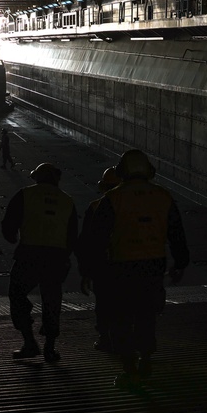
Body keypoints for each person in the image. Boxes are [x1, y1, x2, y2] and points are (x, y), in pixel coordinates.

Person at [77, 150, 189, 389]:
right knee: (147, 314)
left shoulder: (113, 198)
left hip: (122, 266)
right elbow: (177, 234)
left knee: (122, 317)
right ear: (149, 171)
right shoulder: (163, 196)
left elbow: (95, 240)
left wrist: (88, 270)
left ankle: (129, 367)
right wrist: (180, 264)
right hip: (153, 265)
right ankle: (146, 359)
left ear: (122, 172)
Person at [0, 162, 78, 363]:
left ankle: (29, 341)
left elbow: (9, 225)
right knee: (52, 301)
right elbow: (72, 236)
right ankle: (50, 348)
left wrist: (12, 237)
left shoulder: (25, 194)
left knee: (17, 294)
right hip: (56, 259)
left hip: (29, 255)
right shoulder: (67, 201)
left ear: (36, 177)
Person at [76, 167, 121, 352]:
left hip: (103, 264)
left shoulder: (95, 207)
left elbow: (87, 242)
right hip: (129, 262)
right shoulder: (134, 206)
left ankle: (105, 337)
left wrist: (85, 272)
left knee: (103, 302)